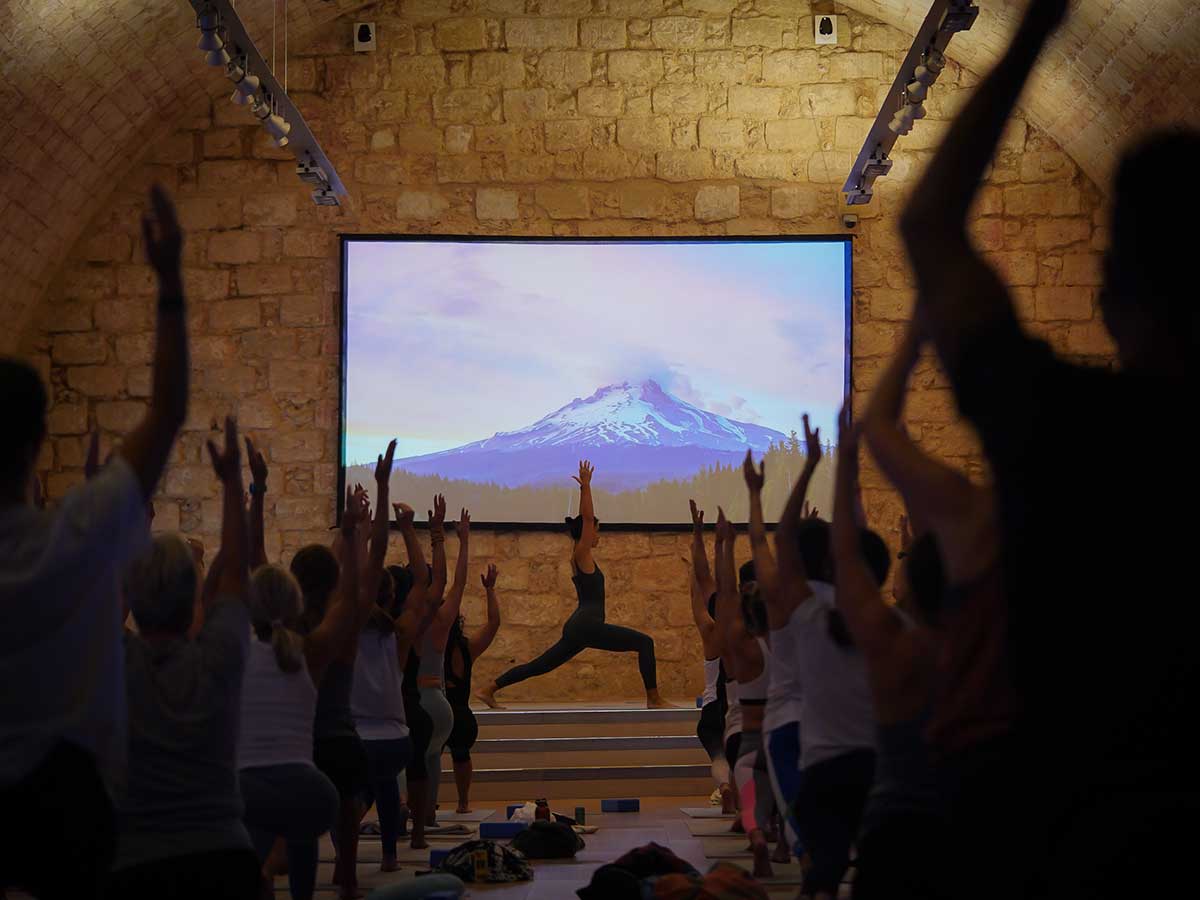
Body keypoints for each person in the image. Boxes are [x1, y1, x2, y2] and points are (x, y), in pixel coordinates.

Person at [899, 0, 1200, 894]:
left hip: (1069, 838)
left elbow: (929, 225)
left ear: (1110, 294)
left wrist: (1034, 29)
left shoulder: (1067, 429)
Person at [0, 185, 188, 900]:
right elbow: (167, 412)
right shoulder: (75, 536)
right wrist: (168, 281)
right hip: (71, 814)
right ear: (36, 444)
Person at [107, 416, 257, 899]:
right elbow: (236, 569)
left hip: (136, 865)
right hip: (223, 858)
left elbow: (101, 596)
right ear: (195, 593)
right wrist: (234, 483)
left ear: (132, 596)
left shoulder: (115, 663)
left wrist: (120, 518)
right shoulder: (218, 657)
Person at [830, 404, 950, 900]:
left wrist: (846, 460)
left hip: (893, 814)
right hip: (954, 810)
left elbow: (847, 555)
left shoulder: (888, 640)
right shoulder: (966, 642)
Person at [237, 443, 364, 900]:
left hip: (246, 783)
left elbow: (250, 556)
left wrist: (254, 487)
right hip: (308, 775)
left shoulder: (237, 650)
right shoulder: (310, 649)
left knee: (257, 833)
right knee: (310, 811)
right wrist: (354, 534)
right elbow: (351, 598)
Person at [773, 415, 876, 900]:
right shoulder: (884, 623)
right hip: (875, 765)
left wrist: (814, 462)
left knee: (823, 873)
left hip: (823, 767)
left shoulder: (808, 617)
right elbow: (860, 547)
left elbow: (782, 540)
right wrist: (848, 466)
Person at [292, 442, 395, 899]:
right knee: (350, 801)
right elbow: (370, 570)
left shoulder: (286, 627)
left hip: (300, 741)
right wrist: (381, 490)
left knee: (296, 828)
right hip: (339, 739)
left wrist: (349, 529)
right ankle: (348, 876)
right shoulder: (345, 624)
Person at [480, 461, 668, 709]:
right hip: (587, 624)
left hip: (581, 626)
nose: (598, 535)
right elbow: (587, 519)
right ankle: (653, 699)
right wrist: (586, 488)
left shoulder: (580, 555)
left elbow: (586, 522)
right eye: (597, 531)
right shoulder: (582, 553)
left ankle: (489, 688)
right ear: (588, 533)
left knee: (542, 665)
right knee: (645, 642)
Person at [352, 514, 438, 874]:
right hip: (392, 737)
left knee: (352, 794)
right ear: (391, 598)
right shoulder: (399, 634)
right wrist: (407, 528)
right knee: (386, 785)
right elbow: (421, 583)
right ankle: (389, 856)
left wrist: (362, 535)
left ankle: (345, 863)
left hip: (354, 735)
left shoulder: (347, 628)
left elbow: (352, 580)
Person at [714, 509, 775, 878]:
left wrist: (724, 544)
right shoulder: (784, 641)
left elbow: (723, 593)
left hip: (744, 737)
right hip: (782, 732)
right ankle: (784, 841)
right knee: (783, 798)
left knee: (750, 801)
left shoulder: (739, 646)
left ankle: (756, 834)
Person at [411, 497, 467, 836]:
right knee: (432, 763)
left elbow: (436, 582)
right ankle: (427, 818)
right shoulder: (443, 621)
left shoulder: (407, 625)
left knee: (413, 765)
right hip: (442, 705)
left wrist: (431, 534)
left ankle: (414, 821)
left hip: (420, 702)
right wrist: (463, 541)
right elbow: (455, 584)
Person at [686, 500, 734, 815]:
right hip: (741, 707)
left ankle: (725, 787)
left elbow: (703, 586)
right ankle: (742, 796)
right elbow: (713, 584)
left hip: (714, 709)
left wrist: (700, 538)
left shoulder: (710, 632)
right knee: (744, 761)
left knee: (718, 758)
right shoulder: (751, 634)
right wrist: (722, 545)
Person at [444, 563, 502, 814]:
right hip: (460, 717)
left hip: (444, 715)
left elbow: (493, 624)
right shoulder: (466, 649)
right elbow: (493, 623)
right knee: (460, 753)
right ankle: (463, 802)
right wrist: (489, 590)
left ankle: (422, 805)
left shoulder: (425, 647)